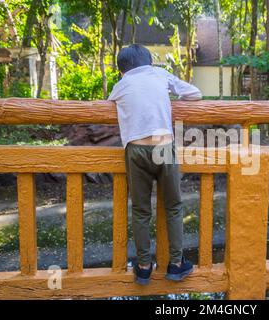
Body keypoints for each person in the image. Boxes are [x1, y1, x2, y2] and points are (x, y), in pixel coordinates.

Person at [108, 44, 202, 285]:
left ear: (122, 71)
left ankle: (143, 267)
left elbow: (111, 102)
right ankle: (176, 264)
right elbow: (195, 94)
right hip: (163, 144)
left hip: (135, 149)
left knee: (141, 210)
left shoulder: (121, 85)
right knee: (173, 207)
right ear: (150, 63)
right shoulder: (160, 75)